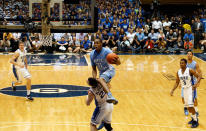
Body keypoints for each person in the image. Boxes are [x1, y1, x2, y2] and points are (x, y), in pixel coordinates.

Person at [170, 58, 201, 128]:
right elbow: (177, 82)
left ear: (186, 64)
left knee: (190, 106)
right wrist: (172, 90)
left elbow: (199, 76)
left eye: (182, 63)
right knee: (188, 107)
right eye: (180, 63)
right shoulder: (178, 72)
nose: (181, 64)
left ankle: (196, 121)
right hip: (184, 90)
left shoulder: (190, 70)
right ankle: (193, 118)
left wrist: (196, 84)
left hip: (190, 89)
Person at [90, 38, 120, 105]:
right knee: (102, 86)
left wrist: (117, 61)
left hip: (110, 70)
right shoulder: (92, 54)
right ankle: (108, 102)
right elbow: (94, 69)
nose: (96, 44)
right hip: (102, 73)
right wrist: (94, 78)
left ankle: (110, 95)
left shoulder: (107, 51)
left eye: (97, 43)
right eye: (95, 43)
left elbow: (118, 62)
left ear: (101, 44)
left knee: (101, 80)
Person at [182, 51, 202, 116]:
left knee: (195, 98)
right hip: (185, 83)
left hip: (192, 83)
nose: (189, 55)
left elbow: (200, 73)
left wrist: (198, 82)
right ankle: (185, 108)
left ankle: (196, 110)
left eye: (190, 54)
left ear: (192, 55)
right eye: (188, 54)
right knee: (183, 98)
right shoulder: (184, 63)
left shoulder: (195, 64)